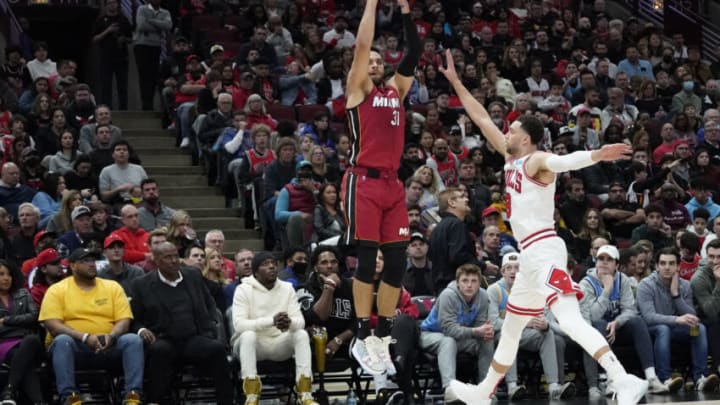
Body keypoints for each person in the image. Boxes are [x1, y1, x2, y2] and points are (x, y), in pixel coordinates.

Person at [437, 49, 649, 404]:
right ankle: (484, 391)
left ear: (526, 138)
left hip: (546, 249)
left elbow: (563, 161)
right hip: (529, 255)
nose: (507, 129)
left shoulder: (536, 160)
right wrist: (456, 82)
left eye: (514, 128)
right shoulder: (511, 159)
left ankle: (622, 378)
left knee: (568, 319)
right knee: (514, 327)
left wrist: (595, 155)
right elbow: (480, 118)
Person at [340, 0, 420, 376]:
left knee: (398, 262)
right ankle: (361, 333)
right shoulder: (358, 92)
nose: (373, 62)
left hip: (392, 186)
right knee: (368, 258)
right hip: (363, 181)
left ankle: (383, 332)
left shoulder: (395, 91)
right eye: (368, 60)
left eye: (377, 60)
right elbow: (360, 45)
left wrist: (404, 10)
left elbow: (415, 50)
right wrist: (372, 3)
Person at [129, 241, 233, 404]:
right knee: (159, 351)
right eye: (167, 257)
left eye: (175, 256)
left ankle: (226, 401)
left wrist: (212, 324)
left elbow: (209, 302)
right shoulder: (142, 284)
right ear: (156, 260)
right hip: (162, 337)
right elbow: (135, 319)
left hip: (192, 336)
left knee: (217, 349)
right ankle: (155, 400)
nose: (173, 261)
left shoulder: (193, 275)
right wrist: (141, 330)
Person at [38, 247, 144, 405]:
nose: (91, 264)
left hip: (109, 345)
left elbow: (124, 320)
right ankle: (69, 396)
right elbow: (52, 324)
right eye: (85, 261)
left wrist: (112, 336)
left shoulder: (112, 287)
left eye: (93, 260)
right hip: (76, 347)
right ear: (72, 266)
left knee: (132, 340)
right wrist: (85, 337)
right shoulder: (57, 290)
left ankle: (133, 395)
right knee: (62, 341)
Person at [578, 244, 669, 396]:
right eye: (601, 259)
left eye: (609, 259)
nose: (604, 262)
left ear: (617, 265)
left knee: (637, 321)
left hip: (617, 328)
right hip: (597, 333)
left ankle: (651, 377)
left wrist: (617, 322)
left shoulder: (623, 280)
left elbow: (630, 309)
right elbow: (592, 317)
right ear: (595, 262)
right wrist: (606, 291)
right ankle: (611, 380)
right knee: (599, 324)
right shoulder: (586, 284)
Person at [230, 251, 319, 405]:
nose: (271, 266)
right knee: (248, 335)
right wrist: (271, 321)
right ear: (256, 271)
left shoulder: (287, 288)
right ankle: (251, 396)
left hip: (279, 343)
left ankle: (305, 394)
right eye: (265, 264)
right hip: (252, 346)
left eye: (273, 263)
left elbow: (300, 321)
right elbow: (239, 325)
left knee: (301, 334)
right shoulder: (243, 289)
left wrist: (289, 322)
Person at [487, 253, 574, 400]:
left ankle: (554, 386)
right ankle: (512, 386)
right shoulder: (494, 290)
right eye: (509, 268)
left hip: (526, 335)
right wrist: (523, 322)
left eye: (517, 268)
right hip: (503, 336)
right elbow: (494, 323)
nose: (513, 271)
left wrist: (544, 324)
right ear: (502, 271)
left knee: (548, 334)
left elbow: (544, 315)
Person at [637, 247, 720, 392]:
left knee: (698, 328)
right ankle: (665, 378)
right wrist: (676, 319)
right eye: (663, 263)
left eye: (671, 263)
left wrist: (676, 294)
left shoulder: (685, 285)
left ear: (678, 266)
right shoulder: (646, 285)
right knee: (663, 329)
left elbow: (692, 316)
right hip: (651, 330)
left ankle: (700, 378)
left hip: (675, 330)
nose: (667, 267)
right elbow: (649, 317)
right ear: (657, 266)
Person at [419, 264, 495, 393]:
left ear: (479, 284)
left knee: (487, 340)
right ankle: (450, 389)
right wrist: (476, 331)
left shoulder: (483, 296)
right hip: (430, 334)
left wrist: (485, 331)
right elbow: (448, 329)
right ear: (457, 283)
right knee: (448, 341)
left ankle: (486, 390)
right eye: (465, 281)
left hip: (460, 336)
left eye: (474, 281)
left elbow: (479, 324)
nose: (469, 285)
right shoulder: (448, 295)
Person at [0, 260, 47, 405]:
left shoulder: (23, 293)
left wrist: (6, 321)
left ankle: (9, 389)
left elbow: (34, 316)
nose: (6, 278)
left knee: (31, 341)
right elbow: (27, 318)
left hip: (26, 340)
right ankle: (39, 402)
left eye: (9, 274)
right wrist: (21, 322)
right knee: (26, 361)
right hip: (4, 344)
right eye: (1, 274)